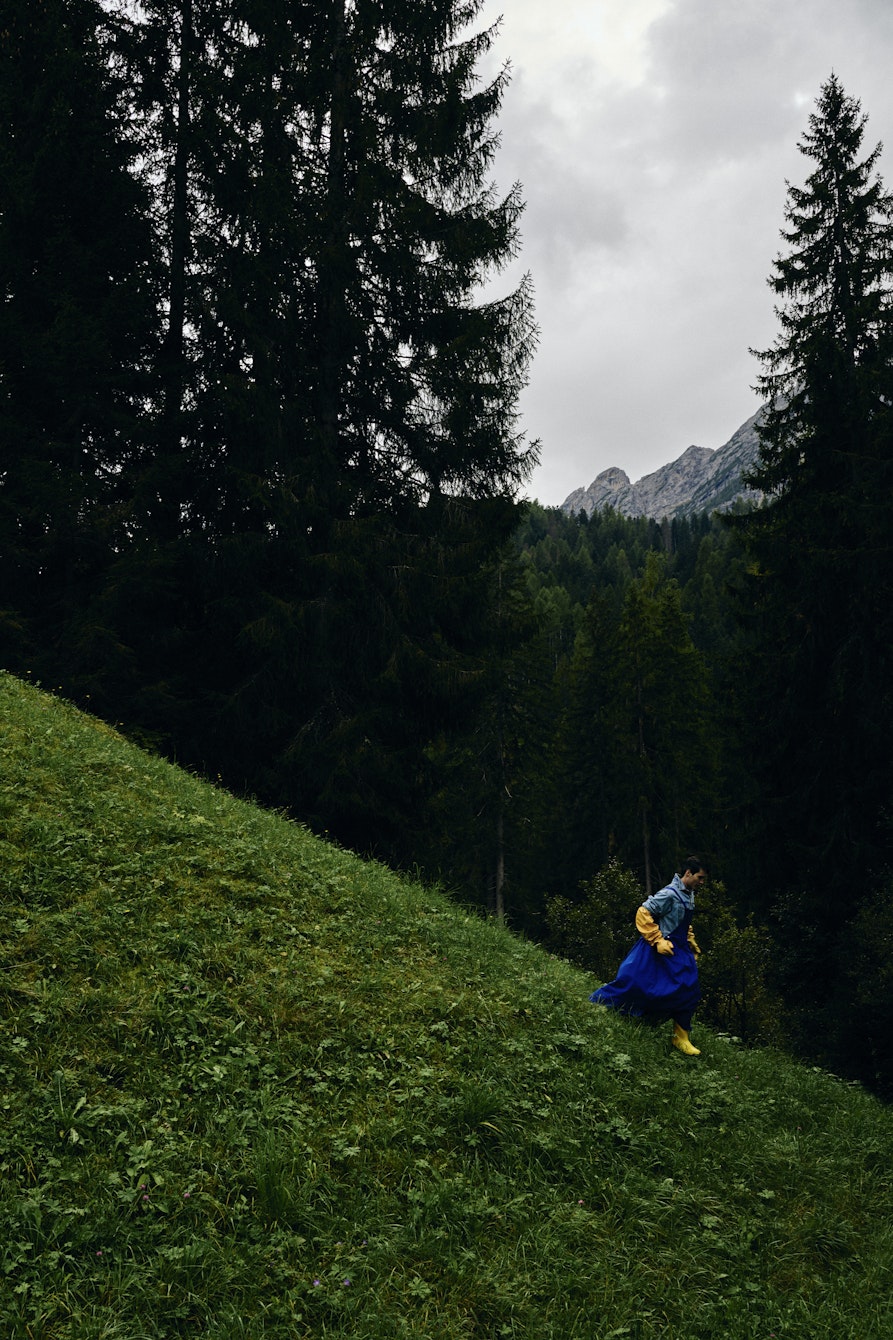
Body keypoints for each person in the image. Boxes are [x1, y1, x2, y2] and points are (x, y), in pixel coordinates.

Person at [589, 858, 707, 1056]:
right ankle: (598, 1002)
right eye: (700, 877)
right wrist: (657, 940)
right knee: (635, 984)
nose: (702, 882)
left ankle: (681, 1037)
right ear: (688, 873)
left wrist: (690, 939)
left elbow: (681, 921)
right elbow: (643, 912)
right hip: (659, 948)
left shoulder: (689, 895)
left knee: (690, 989)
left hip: (679, 950)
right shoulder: (669, 894)